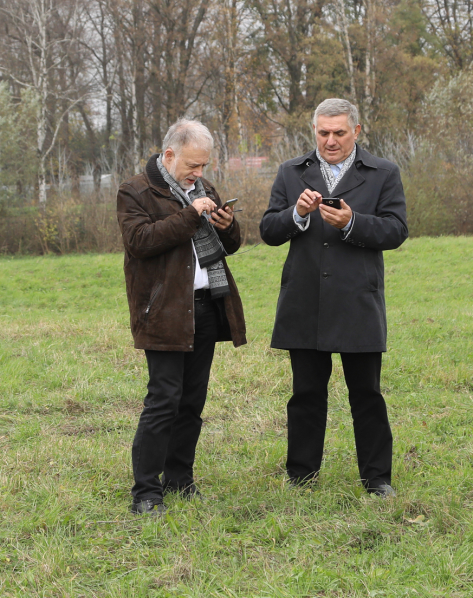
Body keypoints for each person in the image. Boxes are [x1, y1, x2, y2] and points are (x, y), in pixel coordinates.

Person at [260, 98, 408, 497]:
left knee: (367, 395)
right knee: (306, 394)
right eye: (323, 133)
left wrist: (352, 223)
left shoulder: (383, 173)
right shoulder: (291, 173)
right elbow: (269, 230)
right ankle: (302, 475)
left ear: (356, 131)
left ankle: (377, 478)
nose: (330, 141)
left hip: (357, 302)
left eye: (339, 133)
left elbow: (396, 231)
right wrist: (297, 214)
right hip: (304, 303)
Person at [117, 119, 247, 515]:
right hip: (163, 311)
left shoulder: (204, 189)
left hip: (207, 305)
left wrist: (228, 226)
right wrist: (191, 214)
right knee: (164, 400)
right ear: (169, 155)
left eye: (205, 166)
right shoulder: (135, 190)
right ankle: (146, 492)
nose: (200, 174)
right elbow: (140, 242)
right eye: (193, 165)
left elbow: (231, 245)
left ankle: (180, 479)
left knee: (192, 401)